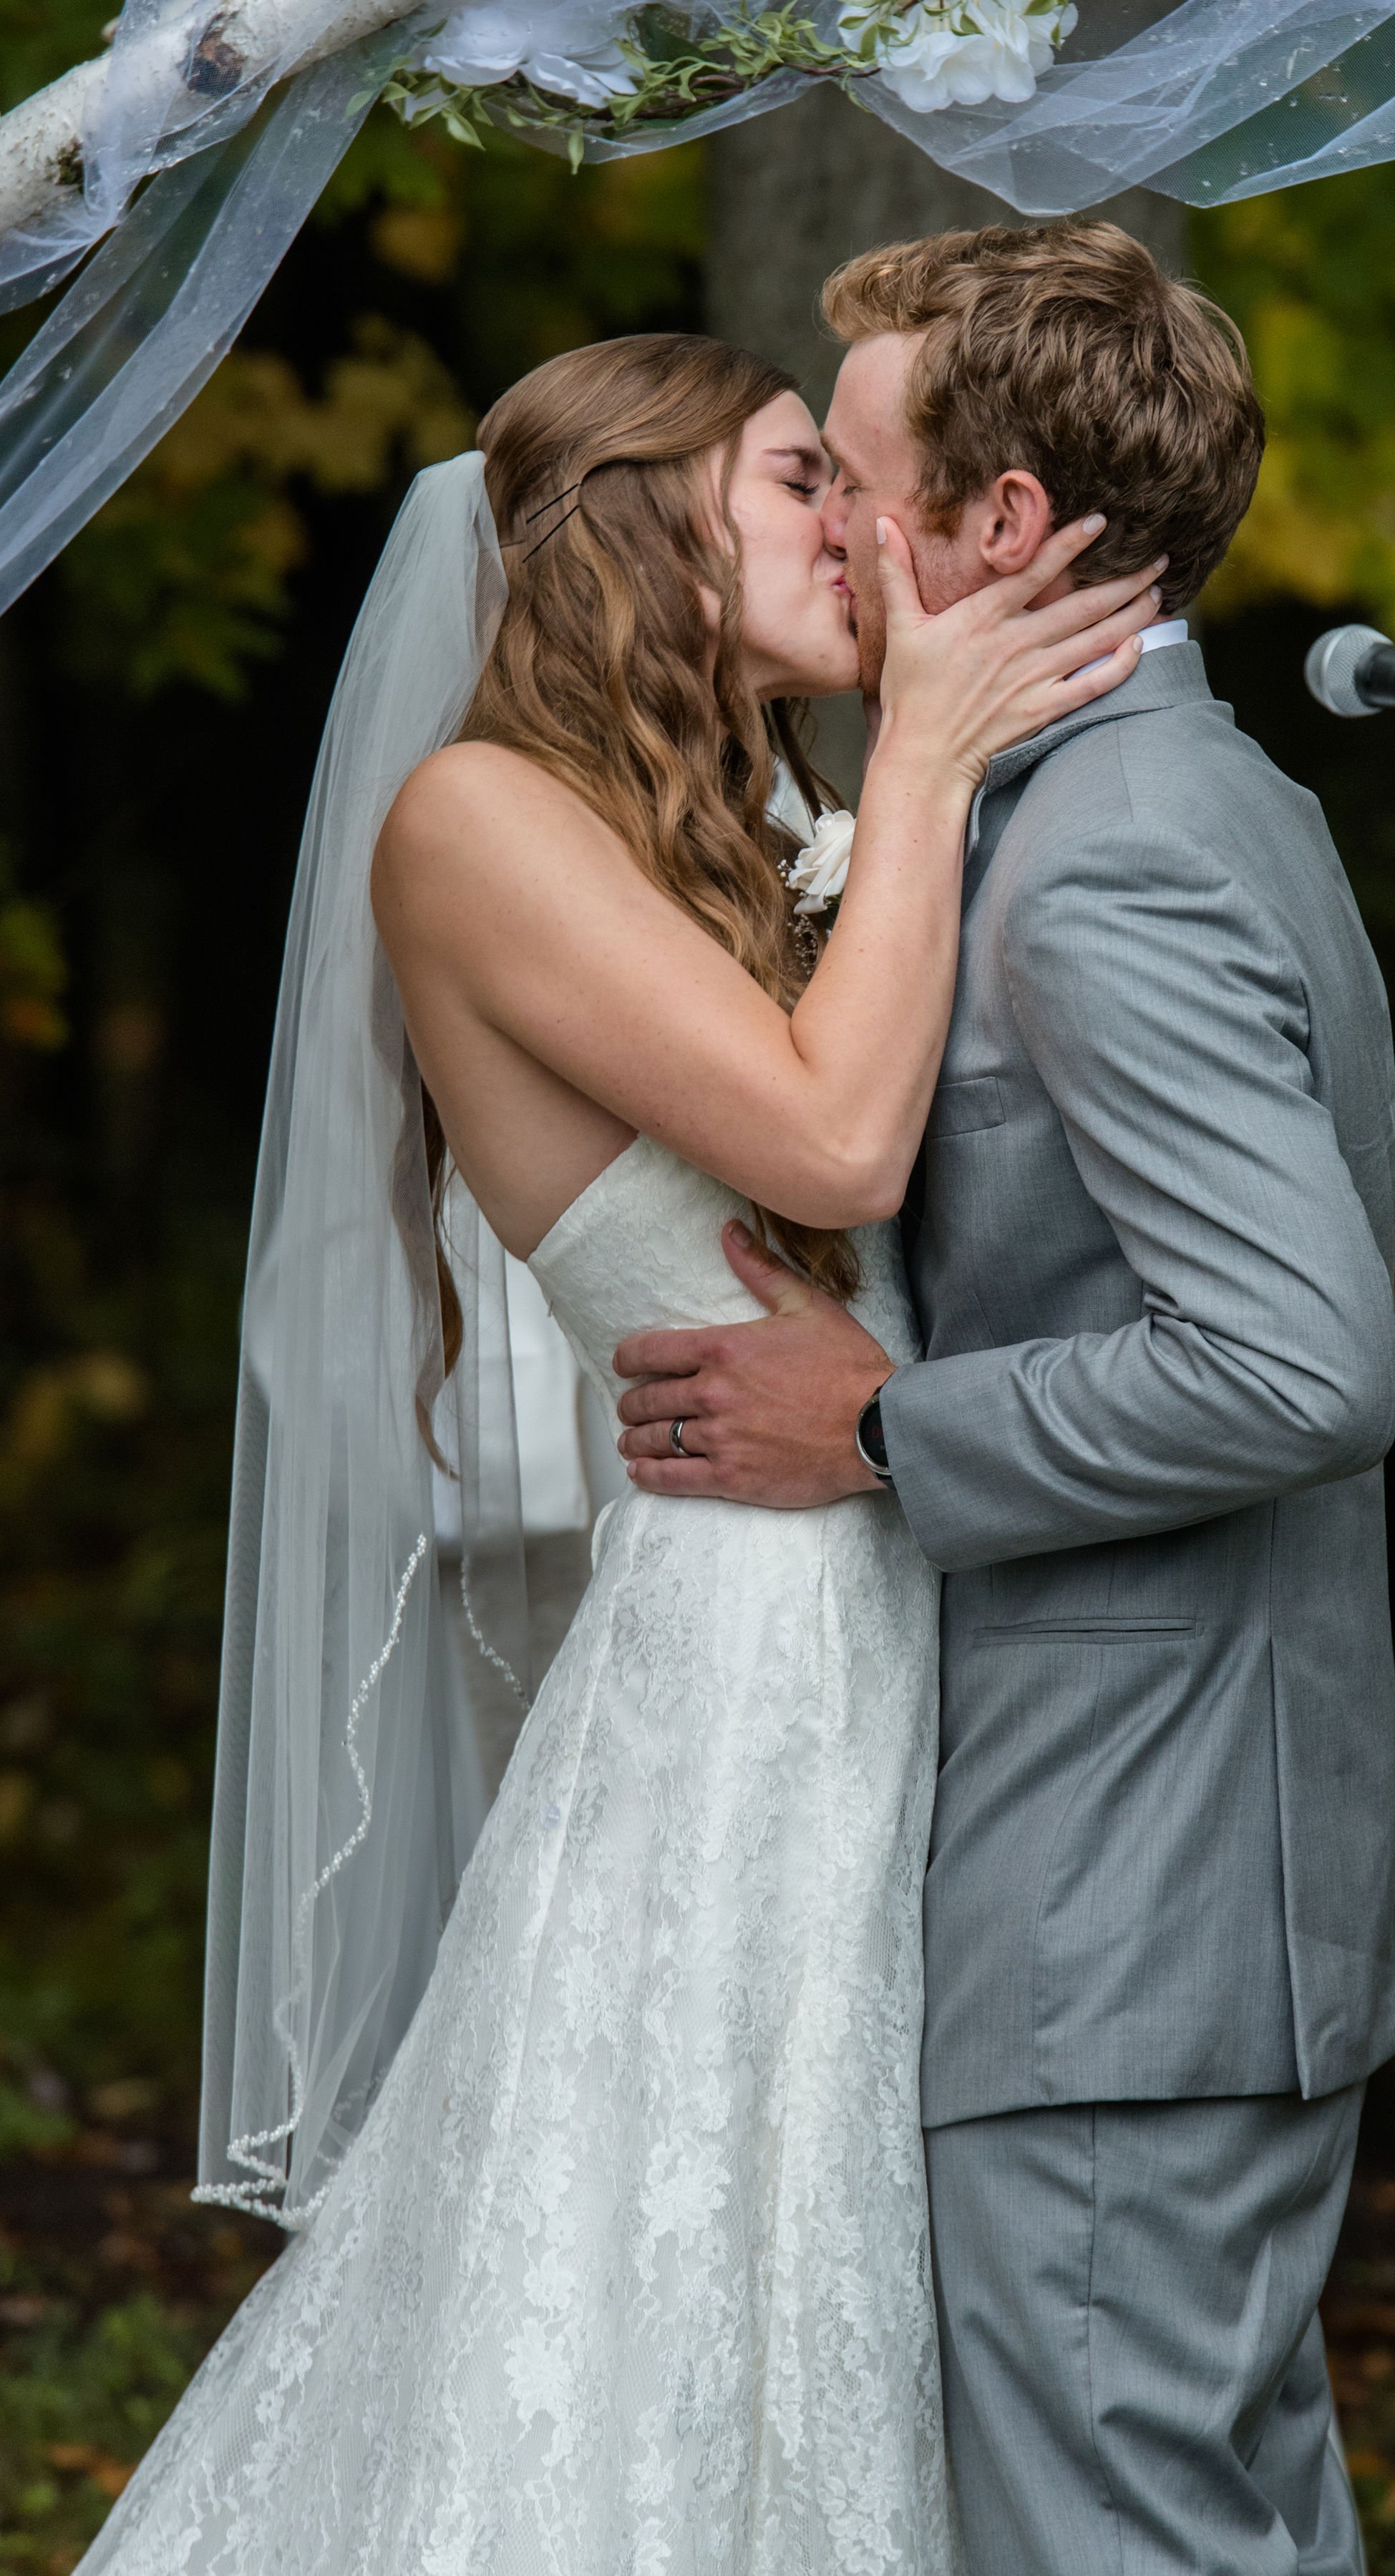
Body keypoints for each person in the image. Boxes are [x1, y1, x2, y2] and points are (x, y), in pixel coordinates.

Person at [77, 333, 1160, 2570]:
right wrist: (937, 756)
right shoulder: (475, 822)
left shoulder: (758, 830)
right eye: (794, 480)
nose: (849, 526)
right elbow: (838, 1142)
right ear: (644, 527)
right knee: (665, 2228)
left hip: (904, 1559)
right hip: (745, 1638)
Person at [613, 223, 1395, 2575]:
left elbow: (1292, 1360)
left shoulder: (1103, 863)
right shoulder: (1171, 792)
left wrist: (880, 1430)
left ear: (1000, 526)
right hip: (1187, 1879)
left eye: (851, 474)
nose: (825, 527)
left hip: (1128, 1891)